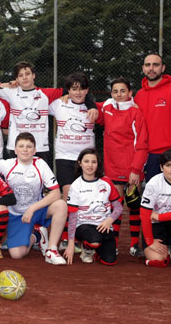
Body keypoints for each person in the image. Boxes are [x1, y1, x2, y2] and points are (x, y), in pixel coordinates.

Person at [0, 132, 67, 264]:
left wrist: (32, 209)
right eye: (21, 146)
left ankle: (51, 250)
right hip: (16, 214)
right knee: (17, 254)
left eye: (29, 146)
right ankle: (37, 236)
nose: (25, 149)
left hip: (35, 210)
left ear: (34, 150)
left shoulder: (40, 164)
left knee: (61, 205)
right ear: (15, 150)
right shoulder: (6, 164)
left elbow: (56, 193)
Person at [0, 61, 96, 164]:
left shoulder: (46, 94)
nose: (25, 77)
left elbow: (76, 91)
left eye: (27, 74)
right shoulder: (10, 93)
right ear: (16, 79)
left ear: (33, 75)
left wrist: (91, 106)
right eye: (20, 75)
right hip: (16, 147)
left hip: (39, 147)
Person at [96, 77, 149, 257]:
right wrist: (66, 96)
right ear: (111, 93)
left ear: (130, 93)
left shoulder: (136, 112)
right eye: (115, 91)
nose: (119, 94)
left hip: (131, 168)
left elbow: (142, 143)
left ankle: (134, 245)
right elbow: (87, 103)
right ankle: (114, 245)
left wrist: (136, 170)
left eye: (123, 91)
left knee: (134, 205)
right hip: (112, 166)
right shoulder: (107, 107)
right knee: (116, 207)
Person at [63, 149, 123, 265]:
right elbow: (72, 217)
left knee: (109, 261)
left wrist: (109, 220)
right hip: (83, 226)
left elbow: (119, 207)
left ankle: (97, 252)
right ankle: (87, 249)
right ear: (80, 163)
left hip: (103, 226)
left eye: (94, 162)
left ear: (98, 164)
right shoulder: (76, 186)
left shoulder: (106, 182)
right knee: (94, 240)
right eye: (86, 161)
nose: (90, 165)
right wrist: (70, 244)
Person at [49, 72, 96, 201]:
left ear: (87, 90)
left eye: (81, 89)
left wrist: (132, 104)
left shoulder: (94, 108)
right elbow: (36, 103)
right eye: (74, 89)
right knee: (68, 195)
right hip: (64, 157)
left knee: (87, 195)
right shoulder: (59, 104)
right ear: (68, 90)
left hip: (87, 158)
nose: (78, 93)